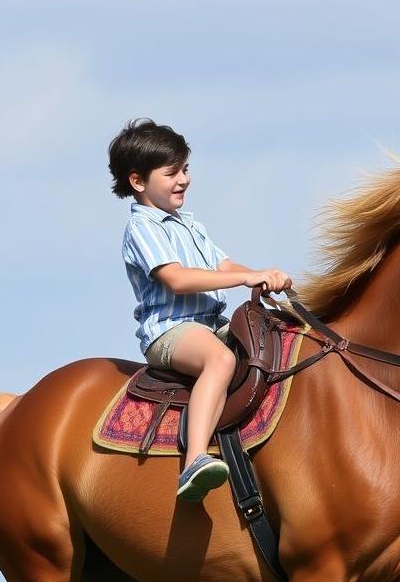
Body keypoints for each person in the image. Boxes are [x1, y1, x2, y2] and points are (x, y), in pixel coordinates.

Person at [110, 119, 292, 502]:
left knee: (279, 341)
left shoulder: (189, 225)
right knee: (221, 361)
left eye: (186, 169)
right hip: (171, 331)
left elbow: (223, 267)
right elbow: (176, 279)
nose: (184, 180)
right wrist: (245, 280)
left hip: (210, 325)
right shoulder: (143, 228)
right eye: (172, 172)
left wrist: (262, 275)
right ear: (138, 182)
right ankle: (194, 460)